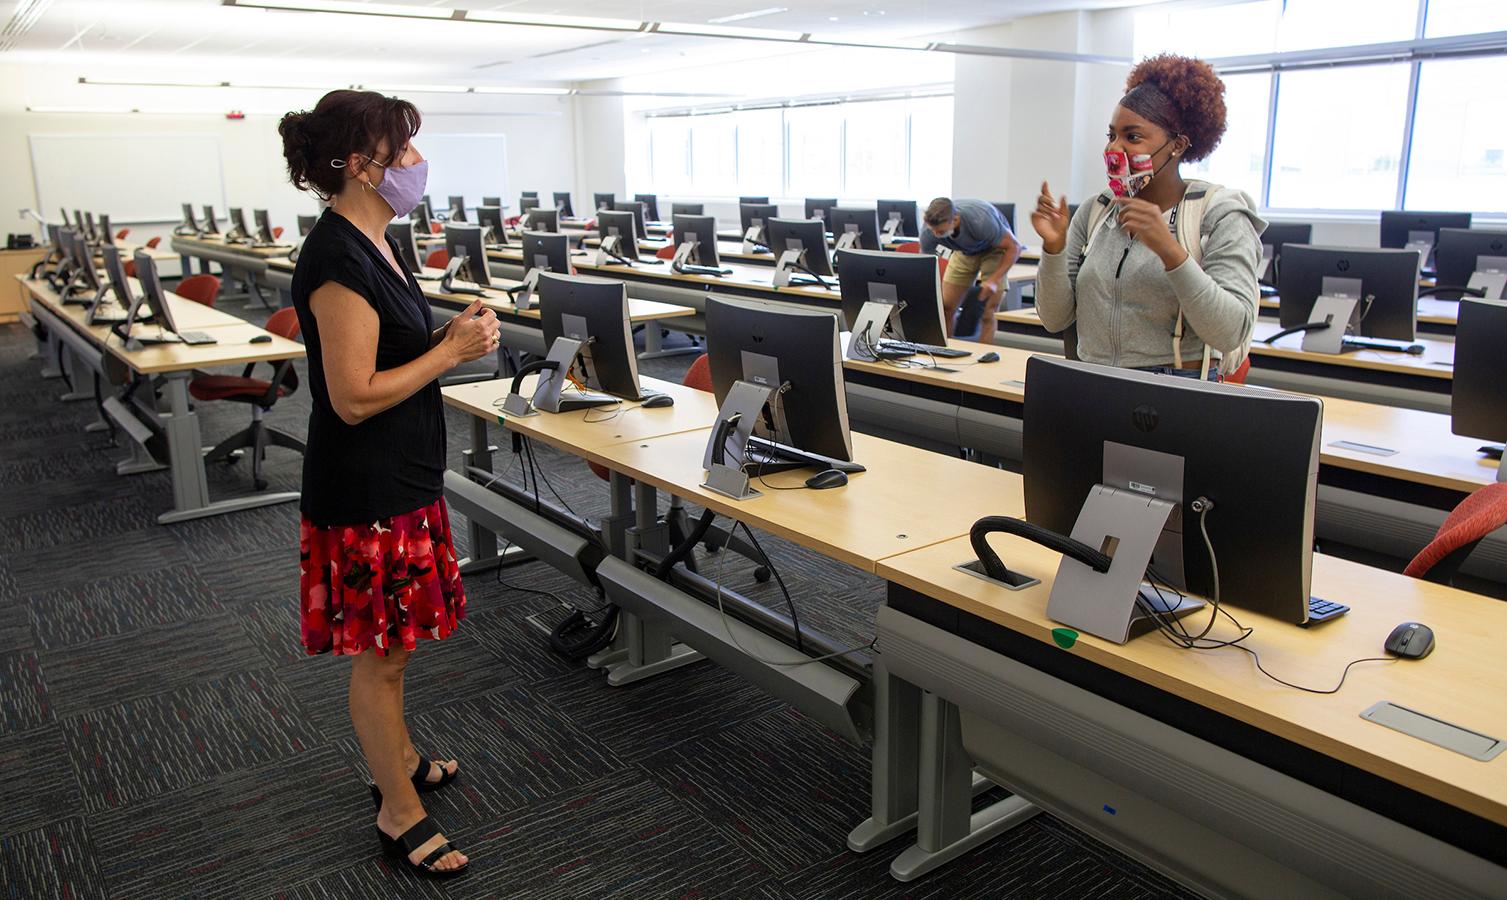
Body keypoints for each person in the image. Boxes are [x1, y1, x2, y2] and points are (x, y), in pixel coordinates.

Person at [280, 89, 501, 879]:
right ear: (357, 166)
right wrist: (448, 355)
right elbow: (351, 394)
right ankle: (396, 810)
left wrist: (444, 335)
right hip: (366, 488)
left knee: (397, 647)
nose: (414, 162)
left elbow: (389, 350)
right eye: (401, 149)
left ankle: (401, 758)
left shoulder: (378, 239)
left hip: (401, 473)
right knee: (381, 657)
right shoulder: (337, 258)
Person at [1032, 54, 1263, 378]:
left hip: (1174, 393)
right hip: (1093, 383)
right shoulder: (1096, 211)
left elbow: (1229, 332)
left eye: (1133, 137)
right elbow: (1055, 319)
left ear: (1178, 145)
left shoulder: (1220, 215)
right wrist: (1054, 248)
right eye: (1111, 135)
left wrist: (1169, 250)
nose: (1115, 148)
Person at [919, 197, 1023, 345]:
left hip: (995, 249)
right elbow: (926, 265)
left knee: (988, 311)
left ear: (955, 220)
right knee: (946, 307)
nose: (935, 235)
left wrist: (993, 280)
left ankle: (984, 359)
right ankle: (948, 352)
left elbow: (1015, 247)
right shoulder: (929, 232)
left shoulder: (981, 220)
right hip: (964, 251)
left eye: (940, 231)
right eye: (933, 230)